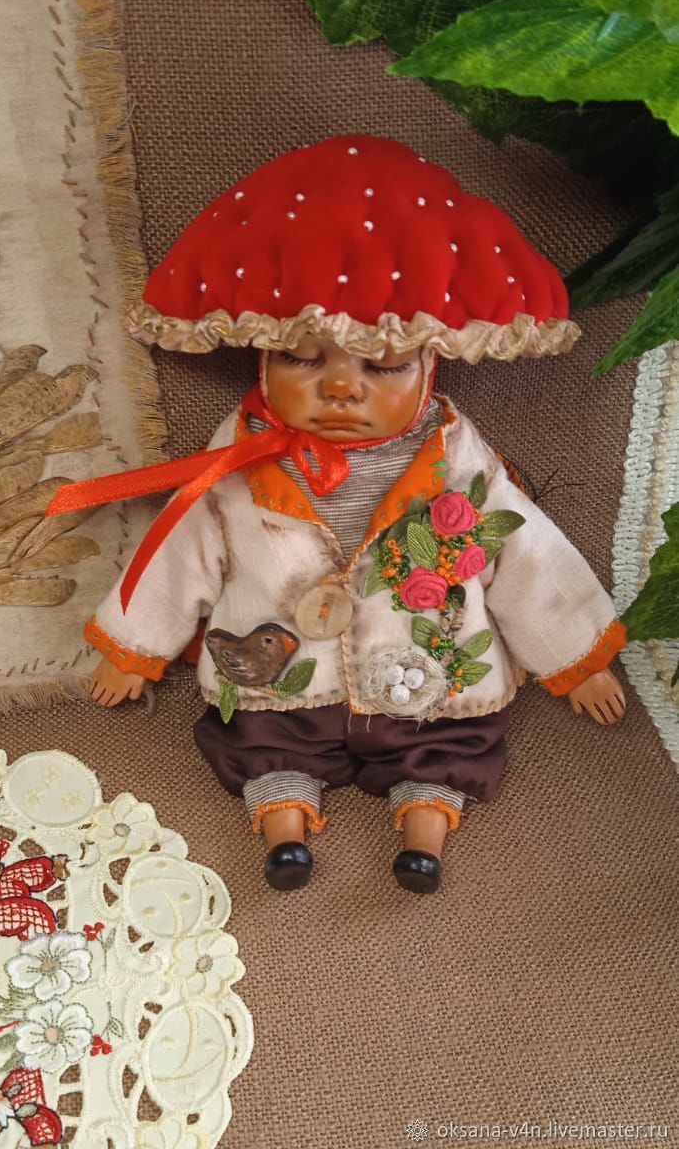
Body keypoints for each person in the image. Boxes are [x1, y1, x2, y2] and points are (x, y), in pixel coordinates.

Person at [46, 135, 627, 895]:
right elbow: (184, 548)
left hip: (425, 676)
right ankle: (284, 823)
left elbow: (525, 553)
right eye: (304, 358)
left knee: (451, 738)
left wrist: (574, 655)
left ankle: (425, 827)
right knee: (260, 734)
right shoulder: (239, 458)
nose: (342, 388)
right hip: (286, 677)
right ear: (263, 358)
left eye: (383, 366)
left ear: (429, 365)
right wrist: (135, 645)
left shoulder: (455, 456)